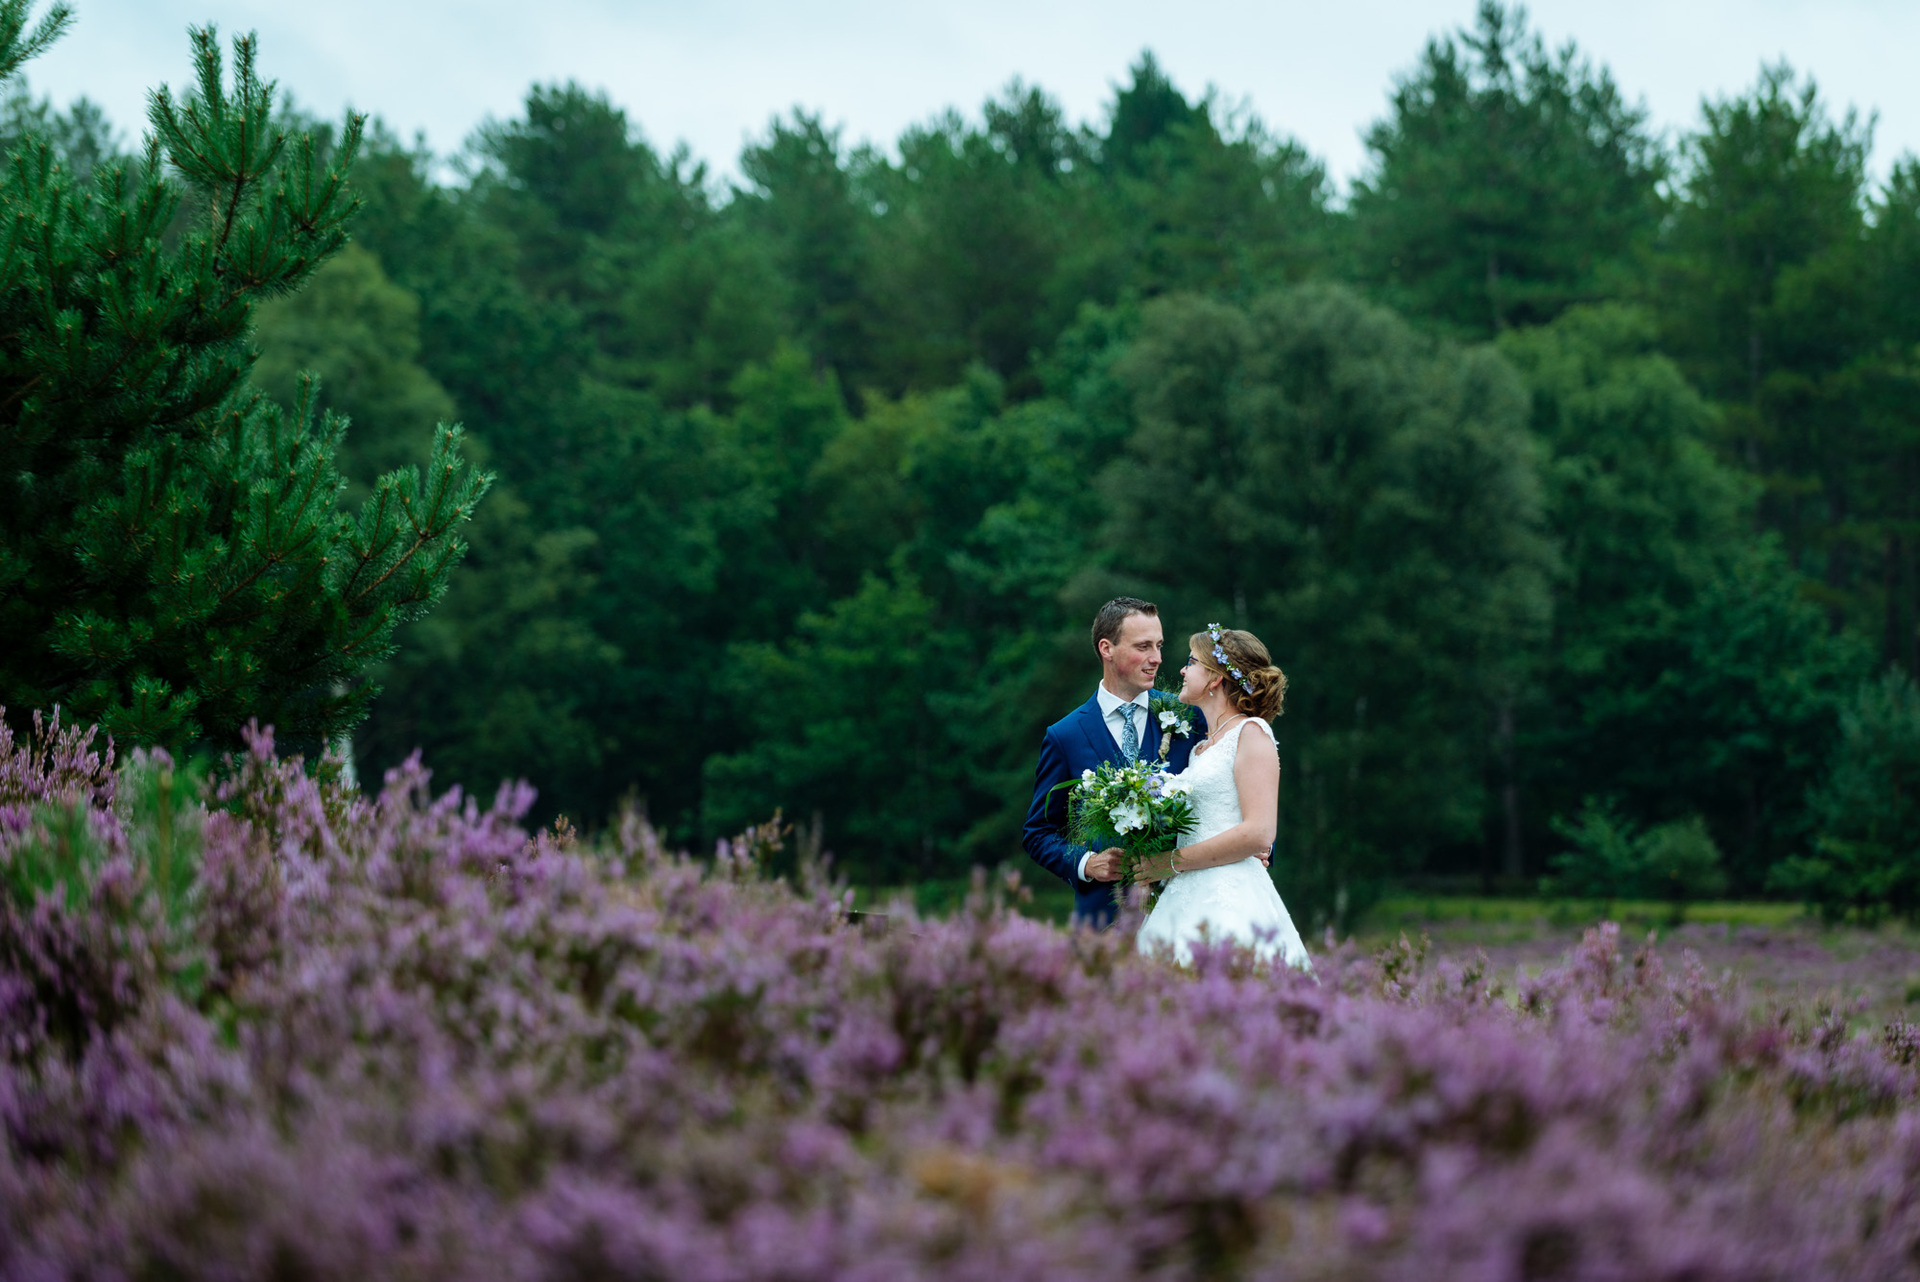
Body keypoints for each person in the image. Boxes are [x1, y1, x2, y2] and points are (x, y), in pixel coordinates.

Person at [1132, 624, 1312, 969]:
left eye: (1191, 662)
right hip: (1185, 893)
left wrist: (1169, 862)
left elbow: (1260, 832)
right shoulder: (1200, 749)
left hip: (1230, 895)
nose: (1183, 670)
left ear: (1215, 678)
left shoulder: (1251, 733)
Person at [1023, 598, 1211, 926]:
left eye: (1159, 645)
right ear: (1107, 649)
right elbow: (1038, 832)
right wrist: (1085, 862)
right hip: (1104, 922)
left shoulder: (1189, 717)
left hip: (1186, 916)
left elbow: (1231, 786)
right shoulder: (1064, 736)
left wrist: (1259, 853)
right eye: (1143, 646)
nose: (1157, 659)